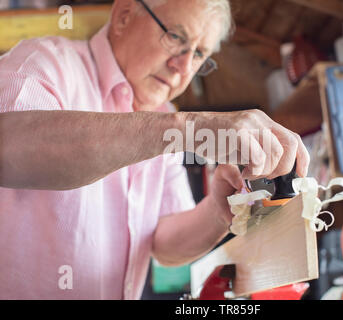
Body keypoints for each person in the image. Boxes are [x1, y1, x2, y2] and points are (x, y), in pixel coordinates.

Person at [0, 0, 310, 299]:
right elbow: (9, 150)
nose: (183, 67)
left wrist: (216, 211)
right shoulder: (44, 63)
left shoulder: (164, 115)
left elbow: (162, 244)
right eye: (176, 36)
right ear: (124, 15)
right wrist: (183, 128)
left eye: (199, 53)